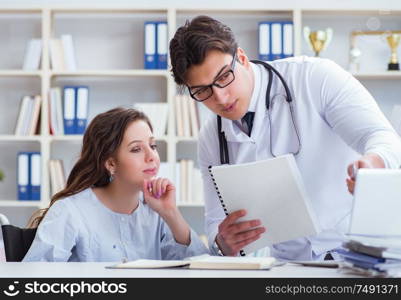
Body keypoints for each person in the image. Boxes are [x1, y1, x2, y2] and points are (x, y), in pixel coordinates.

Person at [169, 15, 401, 261]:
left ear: (242, 57)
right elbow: (216, 222)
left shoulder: (314, 77)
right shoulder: (211, 136)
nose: (221, 98)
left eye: (224, 77)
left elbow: (383, 137)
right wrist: (224, 242)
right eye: (203, 91)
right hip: (289, 266)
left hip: (358, 254)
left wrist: (373, 163)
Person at [24, 108, 209, 262]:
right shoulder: (69, 211)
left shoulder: (156, 212)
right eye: (136, 149)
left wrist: (171, 213)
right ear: (111, 164)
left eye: (153, 146)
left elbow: (202, 269)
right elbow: (35, 281)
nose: (151, 156)